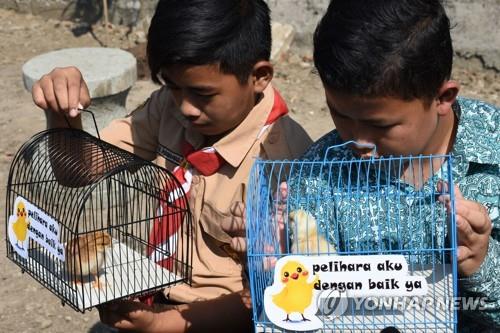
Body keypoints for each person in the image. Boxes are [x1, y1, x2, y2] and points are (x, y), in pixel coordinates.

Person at [31, 0, 312, 332]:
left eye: (202, 94)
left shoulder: (284, 163)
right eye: (173, 87)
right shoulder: (169, 108)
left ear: (259, 77)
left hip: (225, 318)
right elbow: (80, 172)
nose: (186, 108)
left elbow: (275, 294)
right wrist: (62, 113)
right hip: (158, 292)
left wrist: (160, 324)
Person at [287, 0, 499, 331]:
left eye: (381, 126)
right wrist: (266, 268)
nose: (358, 141)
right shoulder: (316, 176)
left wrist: (482, 265)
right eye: (340, 114)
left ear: (443, 99)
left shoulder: (494, 154)